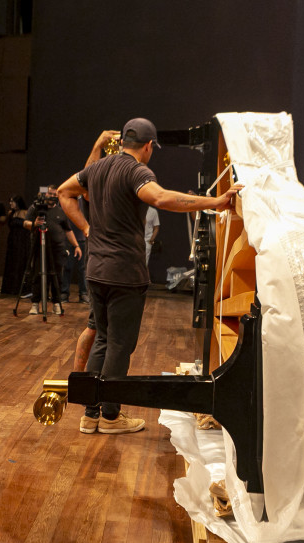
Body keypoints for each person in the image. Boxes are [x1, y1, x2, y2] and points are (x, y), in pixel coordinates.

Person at [58, 118, 240, 434]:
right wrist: (217, 202)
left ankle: (91, 414)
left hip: (96, 271)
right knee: (119, 345)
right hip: (123, 274)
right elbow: (160, 198)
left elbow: (64, 191)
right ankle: (112, 417)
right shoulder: (137, 171)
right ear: (147, 146)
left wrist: (87, 229)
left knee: (102, 339)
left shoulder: (98, 168)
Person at [24, 185, 82, 315]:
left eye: (55, 195)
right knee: (37, 276)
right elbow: (25, 223)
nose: (53, 197)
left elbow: (68, 230)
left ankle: (56, 304)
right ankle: (35, 304)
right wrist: (34, 224)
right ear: (45, 194)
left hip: (57, 250)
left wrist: (76, 246)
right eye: (50, 194)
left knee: (56, 277)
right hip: (39, 248)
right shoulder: (36, 208)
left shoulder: (61, 211)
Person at [1, 195, 30, 295]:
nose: (10, 203)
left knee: (20, 263)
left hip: (22, 241)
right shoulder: (11, 213)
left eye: (12, 201)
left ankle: (20, 288)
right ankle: (10, 288)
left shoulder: (25, 212)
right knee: (11, 263)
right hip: (12, 240)